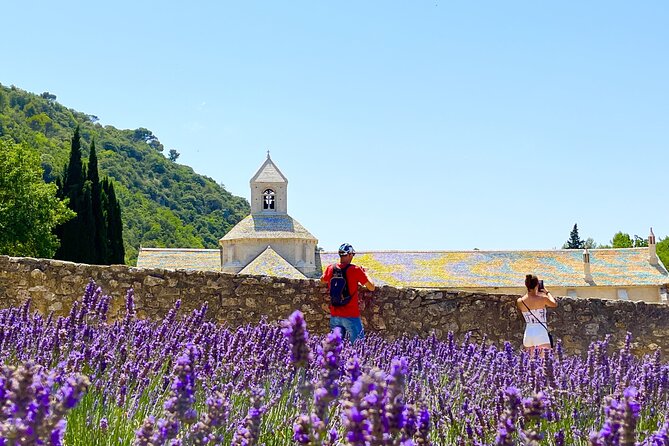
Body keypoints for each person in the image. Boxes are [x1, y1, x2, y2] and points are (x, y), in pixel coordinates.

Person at [321, 243, 375, 344]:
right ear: (349, 254)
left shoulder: (330, 268)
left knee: (336, 349)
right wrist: (366, 272)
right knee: (359, 346)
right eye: (352, 254)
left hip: (335, 315)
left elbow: (322, 280)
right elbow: (371, 287)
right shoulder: (355, 270)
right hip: (351, 315)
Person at [517, 274, 557, 351]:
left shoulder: (520, 301)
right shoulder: (542, 299)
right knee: (545, 361)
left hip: (528, 333)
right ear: (537, 285)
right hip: (540, 333)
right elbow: (554, 304)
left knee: (530, 362)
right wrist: (547, 292)